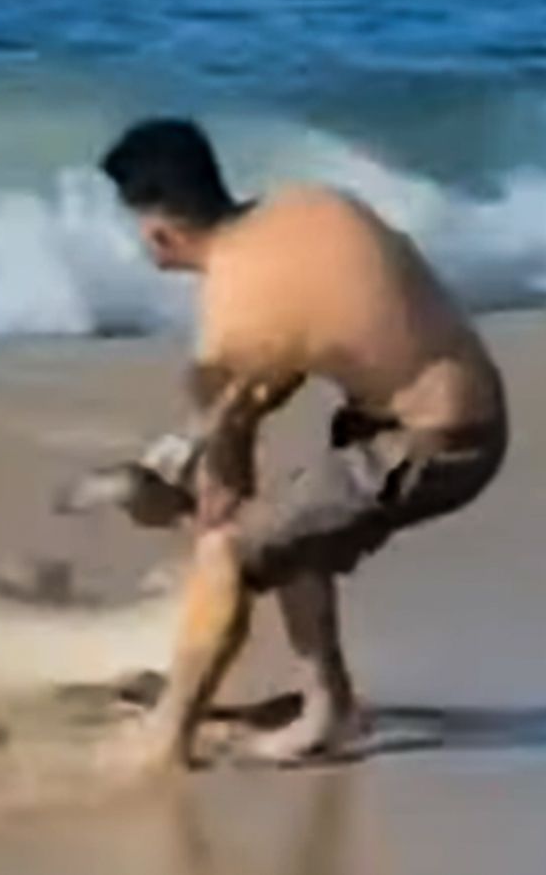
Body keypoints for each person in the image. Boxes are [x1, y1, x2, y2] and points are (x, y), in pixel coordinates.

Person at [94, 118, 507, 768]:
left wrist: (193, 529)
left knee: (230, 552)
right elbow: (301, 337)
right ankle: (327, 707)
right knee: (294, 526)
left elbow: (224, 498)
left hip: (436, 439)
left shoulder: (231, 315)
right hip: (455, 407)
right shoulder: (305, 205)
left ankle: (167, 735)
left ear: (159, 231)